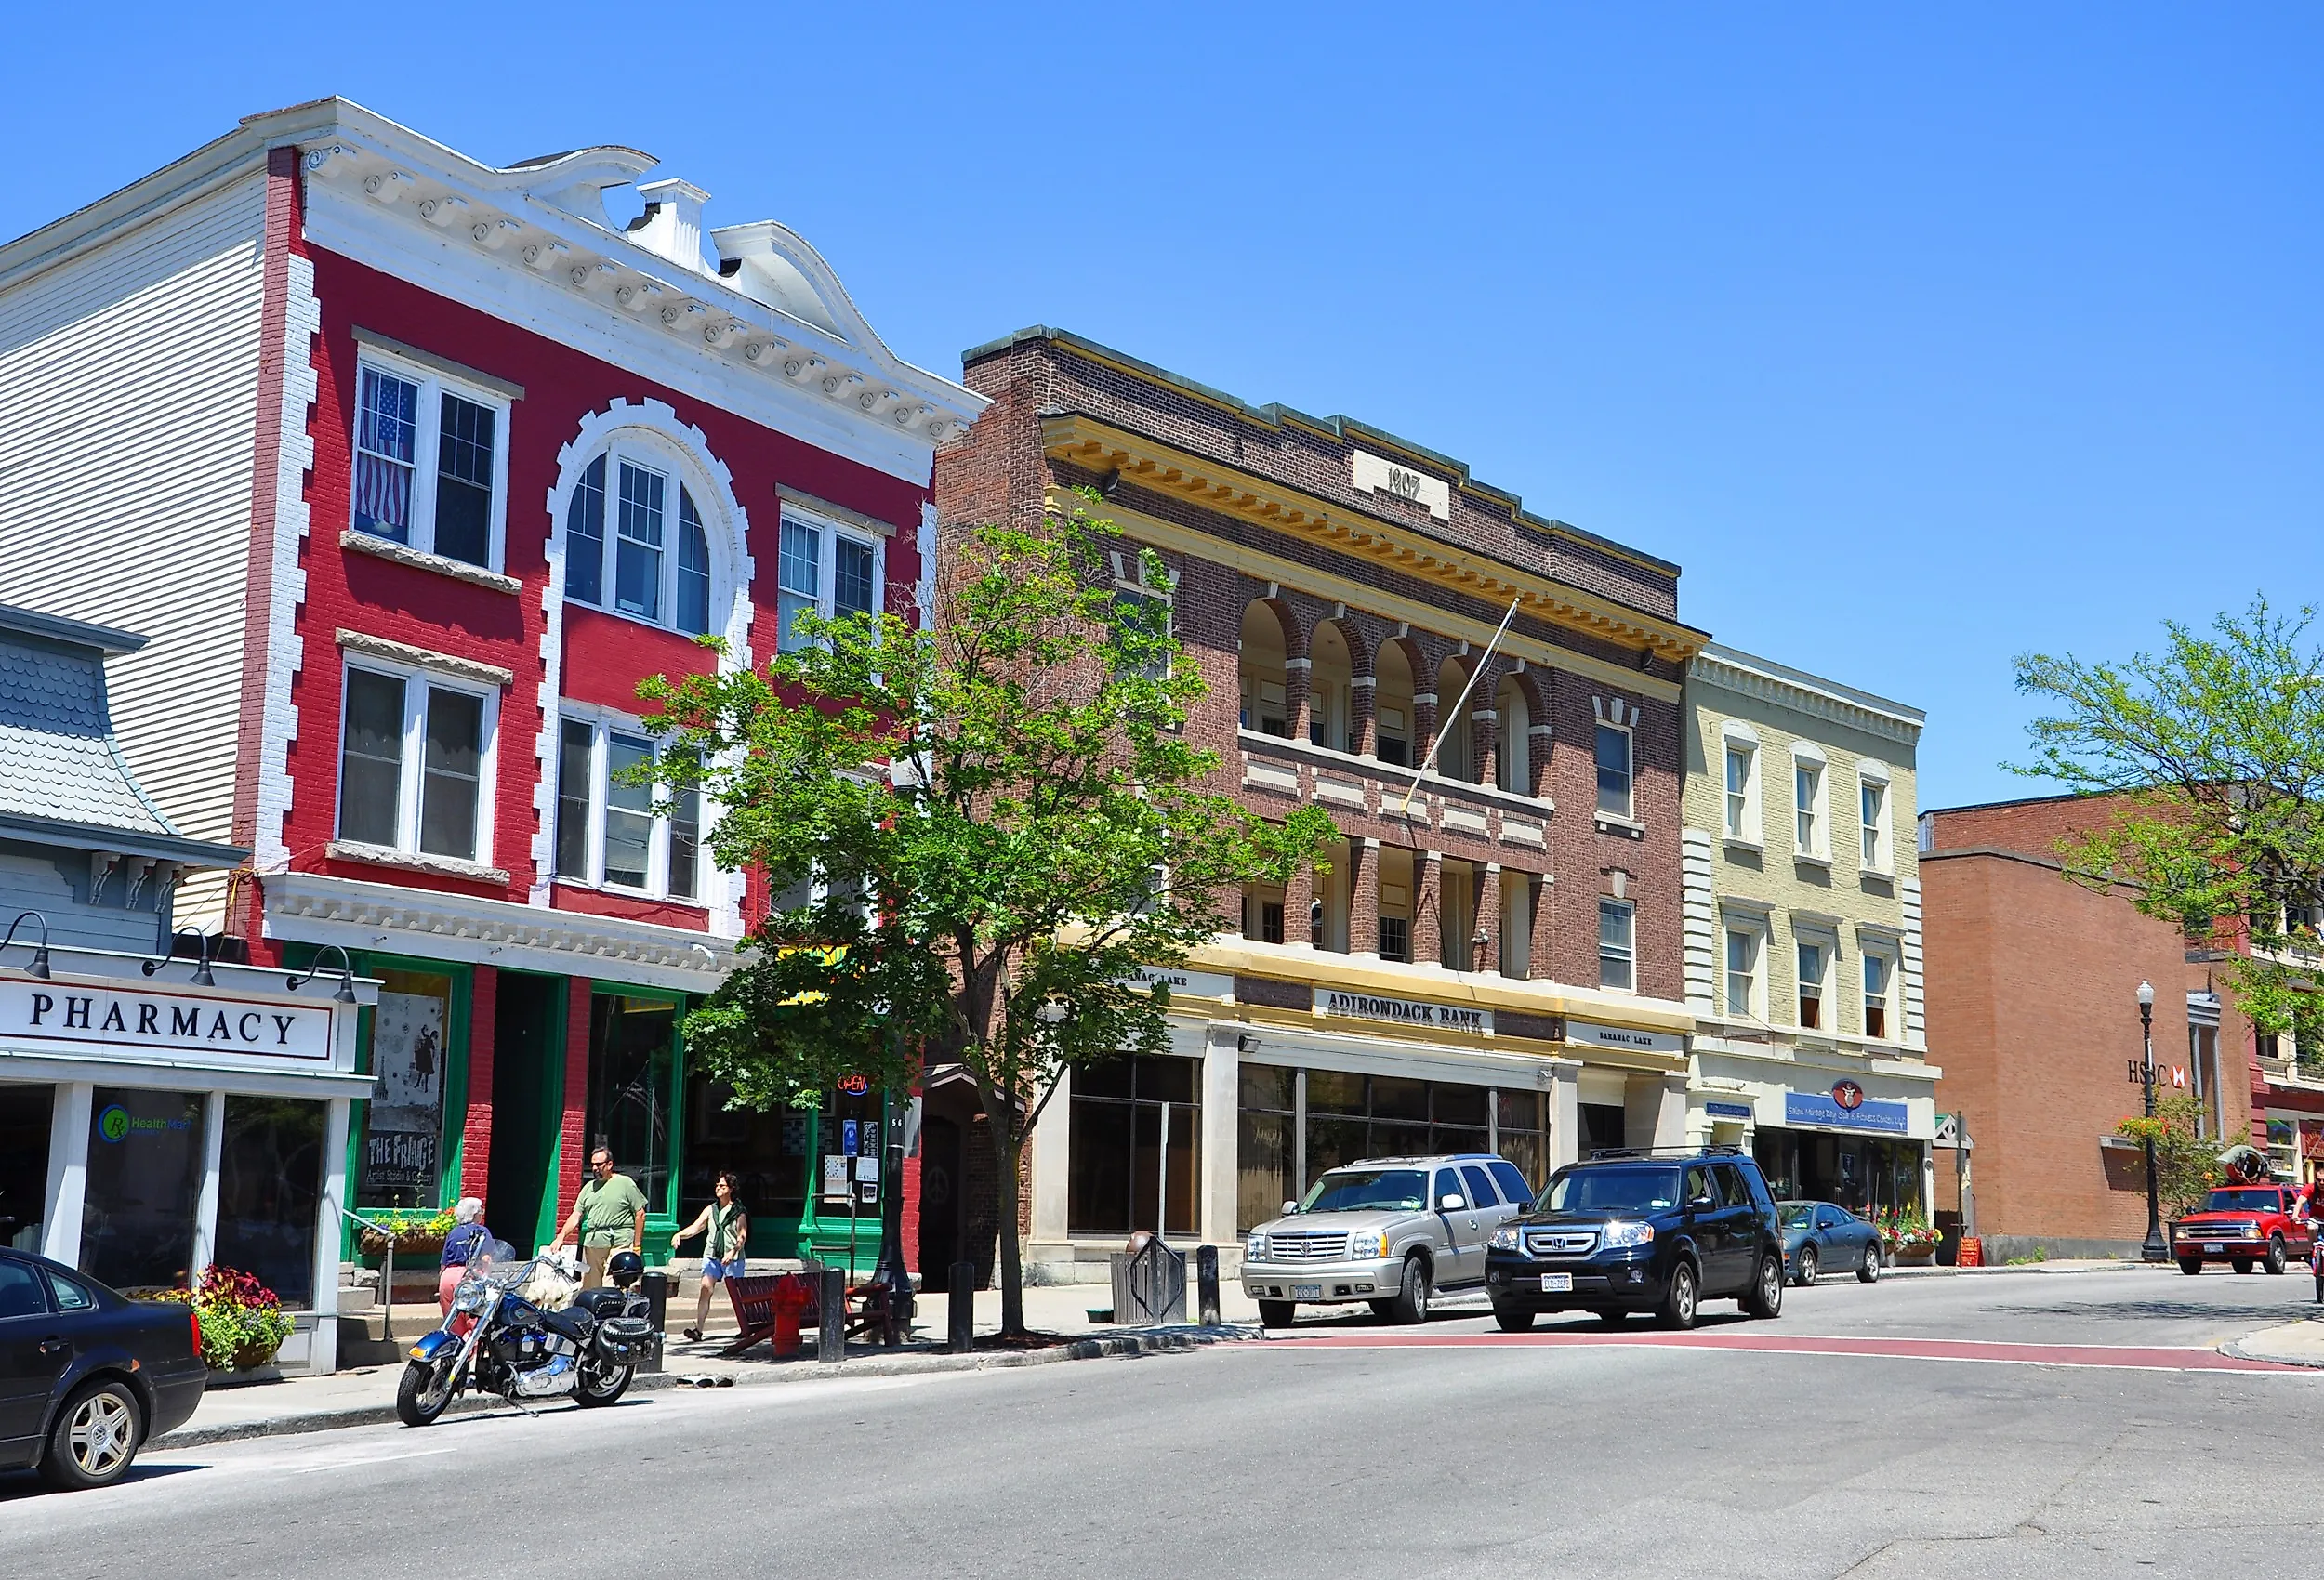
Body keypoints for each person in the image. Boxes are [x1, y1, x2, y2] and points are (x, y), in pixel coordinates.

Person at [547, 1147, 648, 1289]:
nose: (595, 1168)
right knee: (590, 1287)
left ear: (609, 1164)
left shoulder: (625, 1183)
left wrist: (637, 1246)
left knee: (613, 1284)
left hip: (620, 1241)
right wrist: (561, 1237)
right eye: (593, 1164)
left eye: (599, 1164)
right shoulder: (588, 1188)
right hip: (593, 1243)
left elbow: (640, 1214)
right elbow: (576, 1215)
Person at [668, 1171, 749, 1341]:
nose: (718, 1188)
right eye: (717, 1185)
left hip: (732, 1258)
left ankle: (745, 1328)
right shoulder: (710, 1210)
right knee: (705, 1289)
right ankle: (698, 1330)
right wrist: (679, 1235)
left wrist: (732, 1252)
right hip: (712, 1255)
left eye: (722, 1186)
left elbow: (742, 1237)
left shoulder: (739, 1212)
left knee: (737, 1295)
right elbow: (696, 1227)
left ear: (731, 1189)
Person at [438, 1197, 491, 1314]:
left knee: (451, 1322)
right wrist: (486, 1278)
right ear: (475, 1214)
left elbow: (443, 1264)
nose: (481, 1214)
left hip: (447, 1277)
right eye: (480, 1211)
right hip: (468, 1276)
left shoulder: (453, 1232)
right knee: (472, 1322)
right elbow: (485, 1258)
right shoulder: (482, 1231)